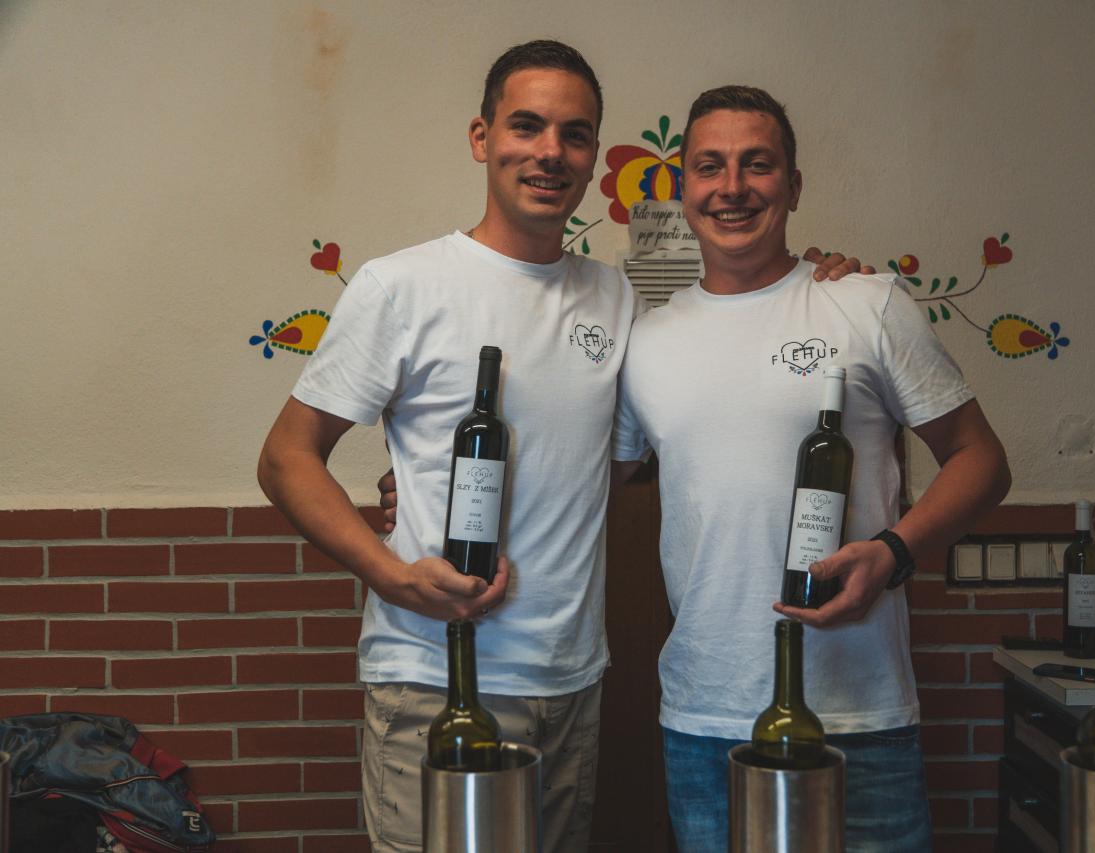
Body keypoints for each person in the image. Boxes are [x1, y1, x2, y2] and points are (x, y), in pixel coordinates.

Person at [258, 41, 865, 853]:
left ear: (593, 158)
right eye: (527, 126)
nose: (550, 151)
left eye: (574, 135)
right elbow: (287, 457)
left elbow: (614, 461)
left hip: (572, 682)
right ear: (482, 137)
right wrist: (394, 575)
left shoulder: (613, 298)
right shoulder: (401, 286)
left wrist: (816, 287)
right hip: (436, 676)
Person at [609, 86, 1011, 851]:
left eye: (757, 165)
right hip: (704, 717)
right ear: (683, 188)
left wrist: (893, 552)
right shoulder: (648, 342)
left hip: (856, 715)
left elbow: (982, 460)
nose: (732, 187)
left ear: (793, 186)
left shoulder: (865, 303)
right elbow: (582, 474)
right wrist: (419, 484)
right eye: (710, 167)